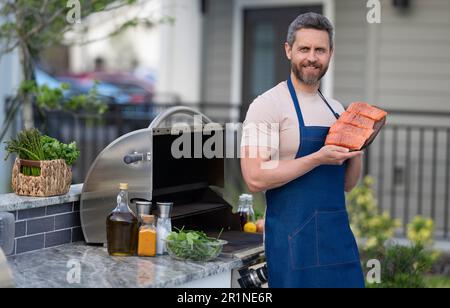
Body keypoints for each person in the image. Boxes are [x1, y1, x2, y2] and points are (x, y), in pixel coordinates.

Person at [240, 12, 365, 288]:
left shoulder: (337, 110)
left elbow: (347, 184)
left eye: (320, 50)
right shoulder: (267, 105)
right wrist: (318, 158)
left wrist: (359, 148)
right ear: (288, 51)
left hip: (337, 242)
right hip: (292, 245)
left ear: (330, 53)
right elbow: (254, 176)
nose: (312, 57)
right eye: (304, 49)